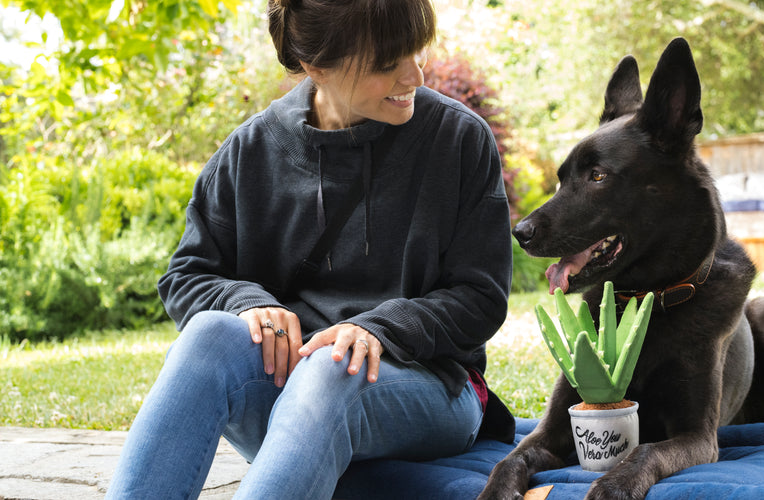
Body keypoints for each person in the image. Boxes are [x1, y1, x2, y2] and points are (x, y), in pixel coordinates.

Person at [105, 0, 514, 497]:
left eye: (418, 50)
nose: (416, 76)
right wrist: (245, 302)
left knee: (332, 366)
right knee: (208, 337)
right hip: (290, 394)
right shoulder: (250, 151)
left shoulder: (459, 139)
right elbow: (186, 275)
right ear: (316, 66)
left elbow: (480, 297)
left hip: (432, 386)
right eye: (388, 64)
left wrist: (377, 329)